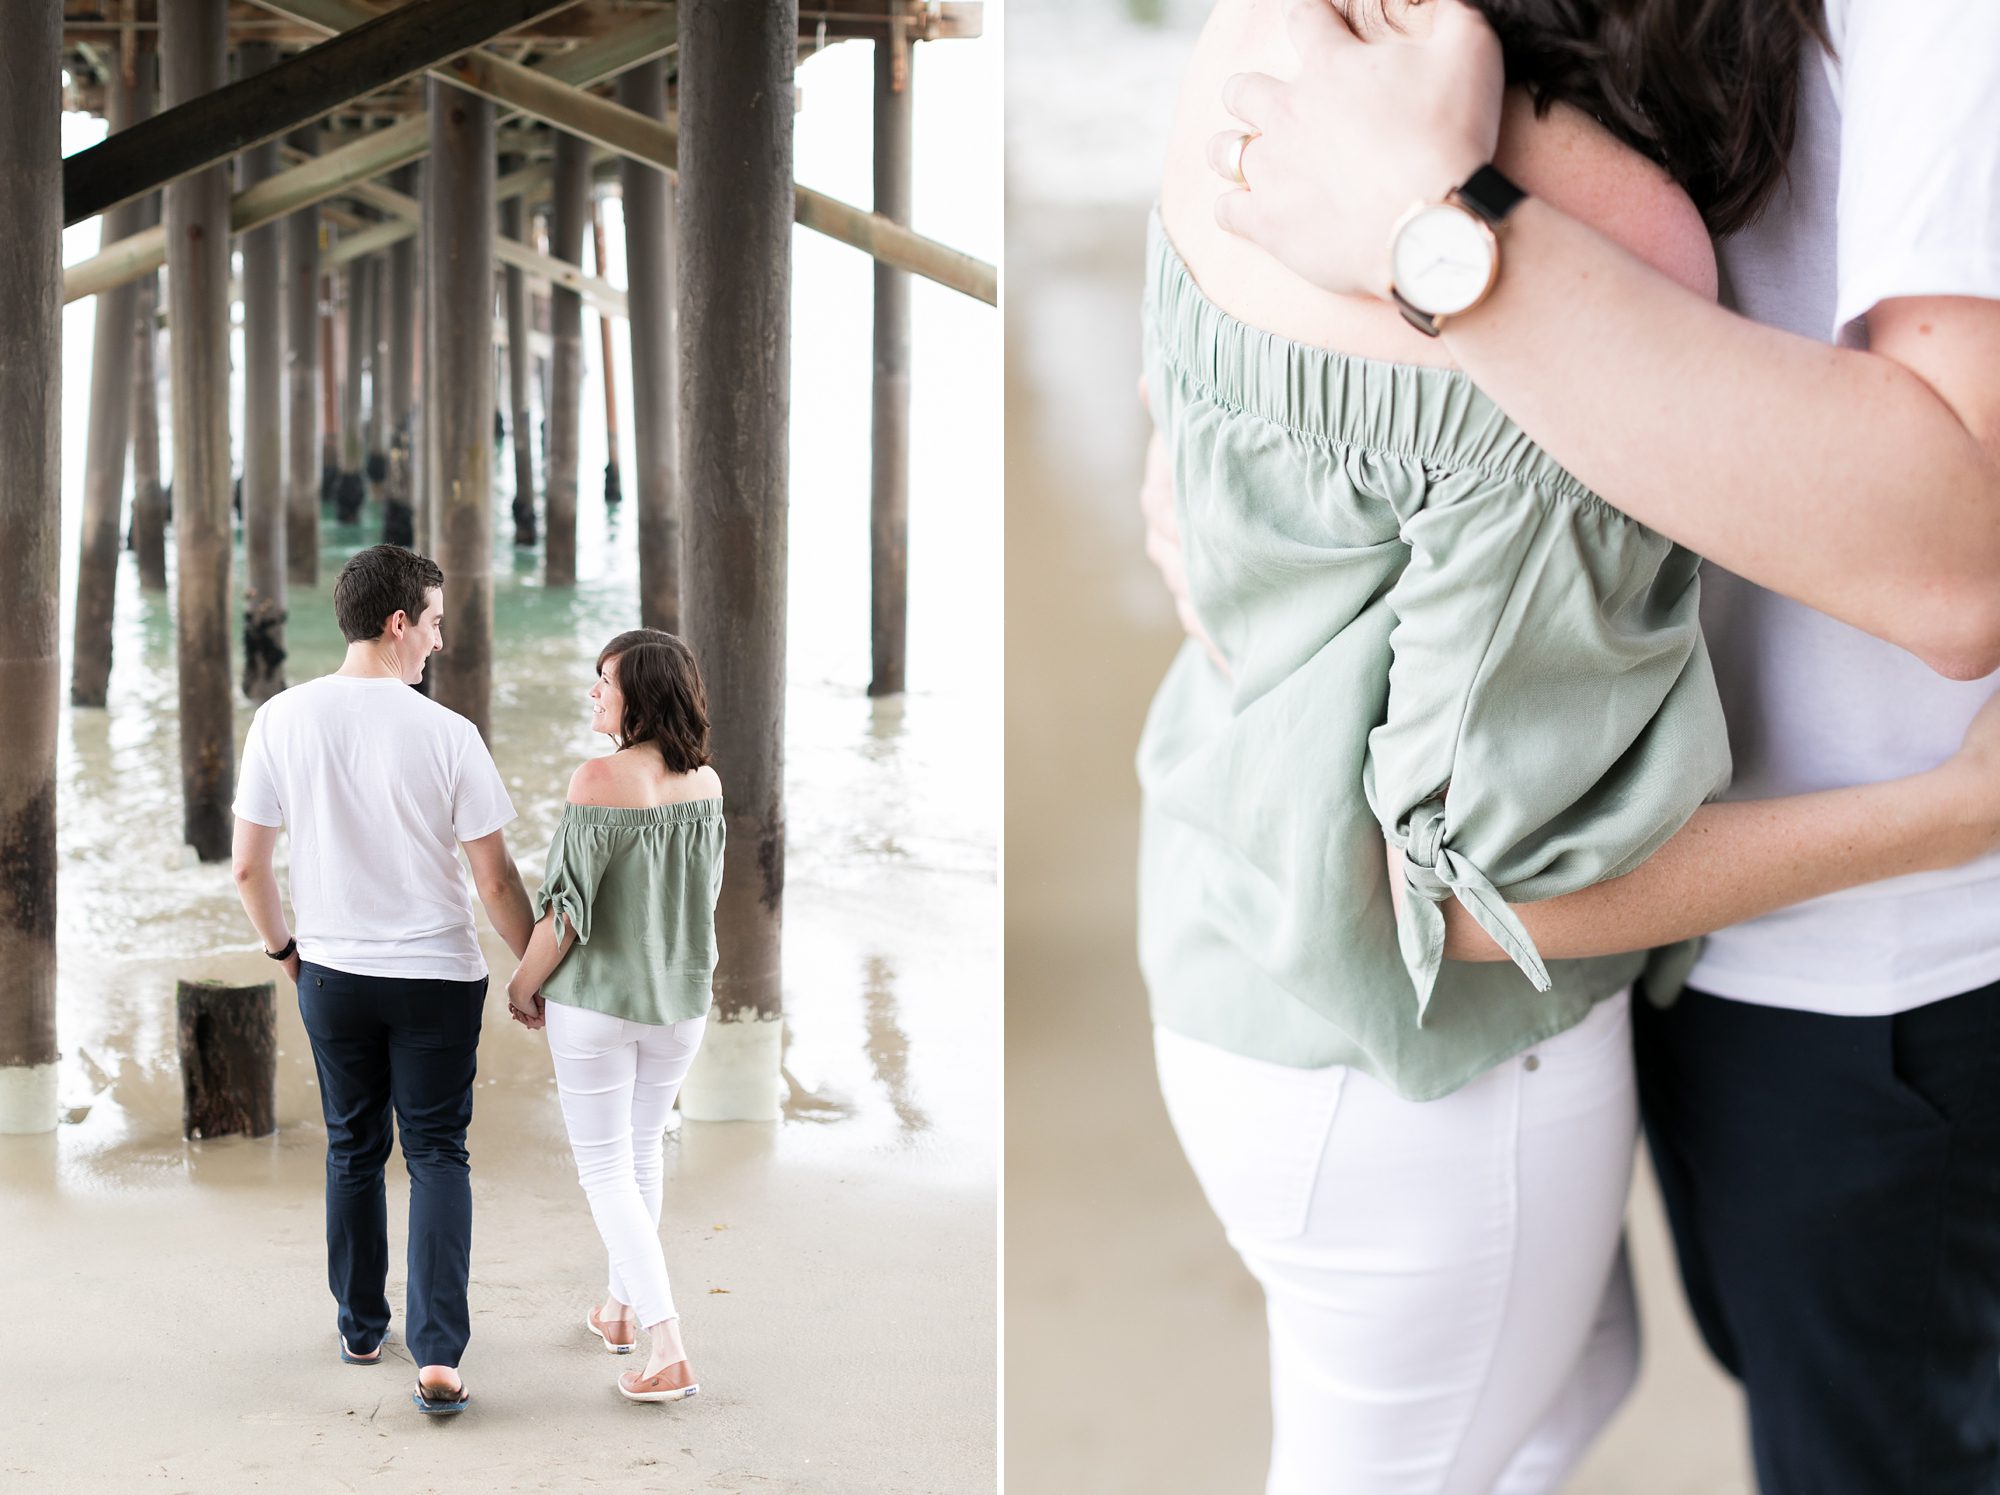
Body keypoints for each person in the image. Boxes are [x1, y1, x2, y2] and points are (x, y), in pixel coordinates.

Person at [1145, 1, 2000, 1490]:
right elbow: (1471, 900)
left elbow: (1951, 566)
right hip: (1512, 993)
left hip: (1279, 939)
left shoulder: (1287, 74)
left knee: (1584, 1394)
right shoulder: (1595, 224)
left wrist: (1416, 240)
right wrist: (1958, 808)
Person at [230, 544, 535, 1417]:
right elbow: (496, 883)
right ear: (399, 623)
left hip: (334, 973)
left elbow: (249, 870)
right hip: (436, 976)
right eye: (434, 623)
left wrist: (286, 954)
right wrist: (533, 974)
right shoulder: (449, 734)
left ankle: (363, 1326)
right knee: (437, 1152)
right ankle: (438, 1356)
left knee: (352, 1146)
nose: (438, 642)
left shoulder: (281, 718)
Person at [505, 628, 724, 1405]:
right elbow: (700, 900)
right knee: (641, 1155)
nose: (594, 692)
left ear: (644, 693)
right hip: (679, 1004)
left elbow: (566, 913)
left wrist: (522, 984)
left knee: (607, 1169)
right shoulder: (707, 785)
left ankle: (668, 1344)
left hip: (597, 1005)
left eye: (606, 680)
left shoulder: (598, 779)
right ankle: (619, 1310)